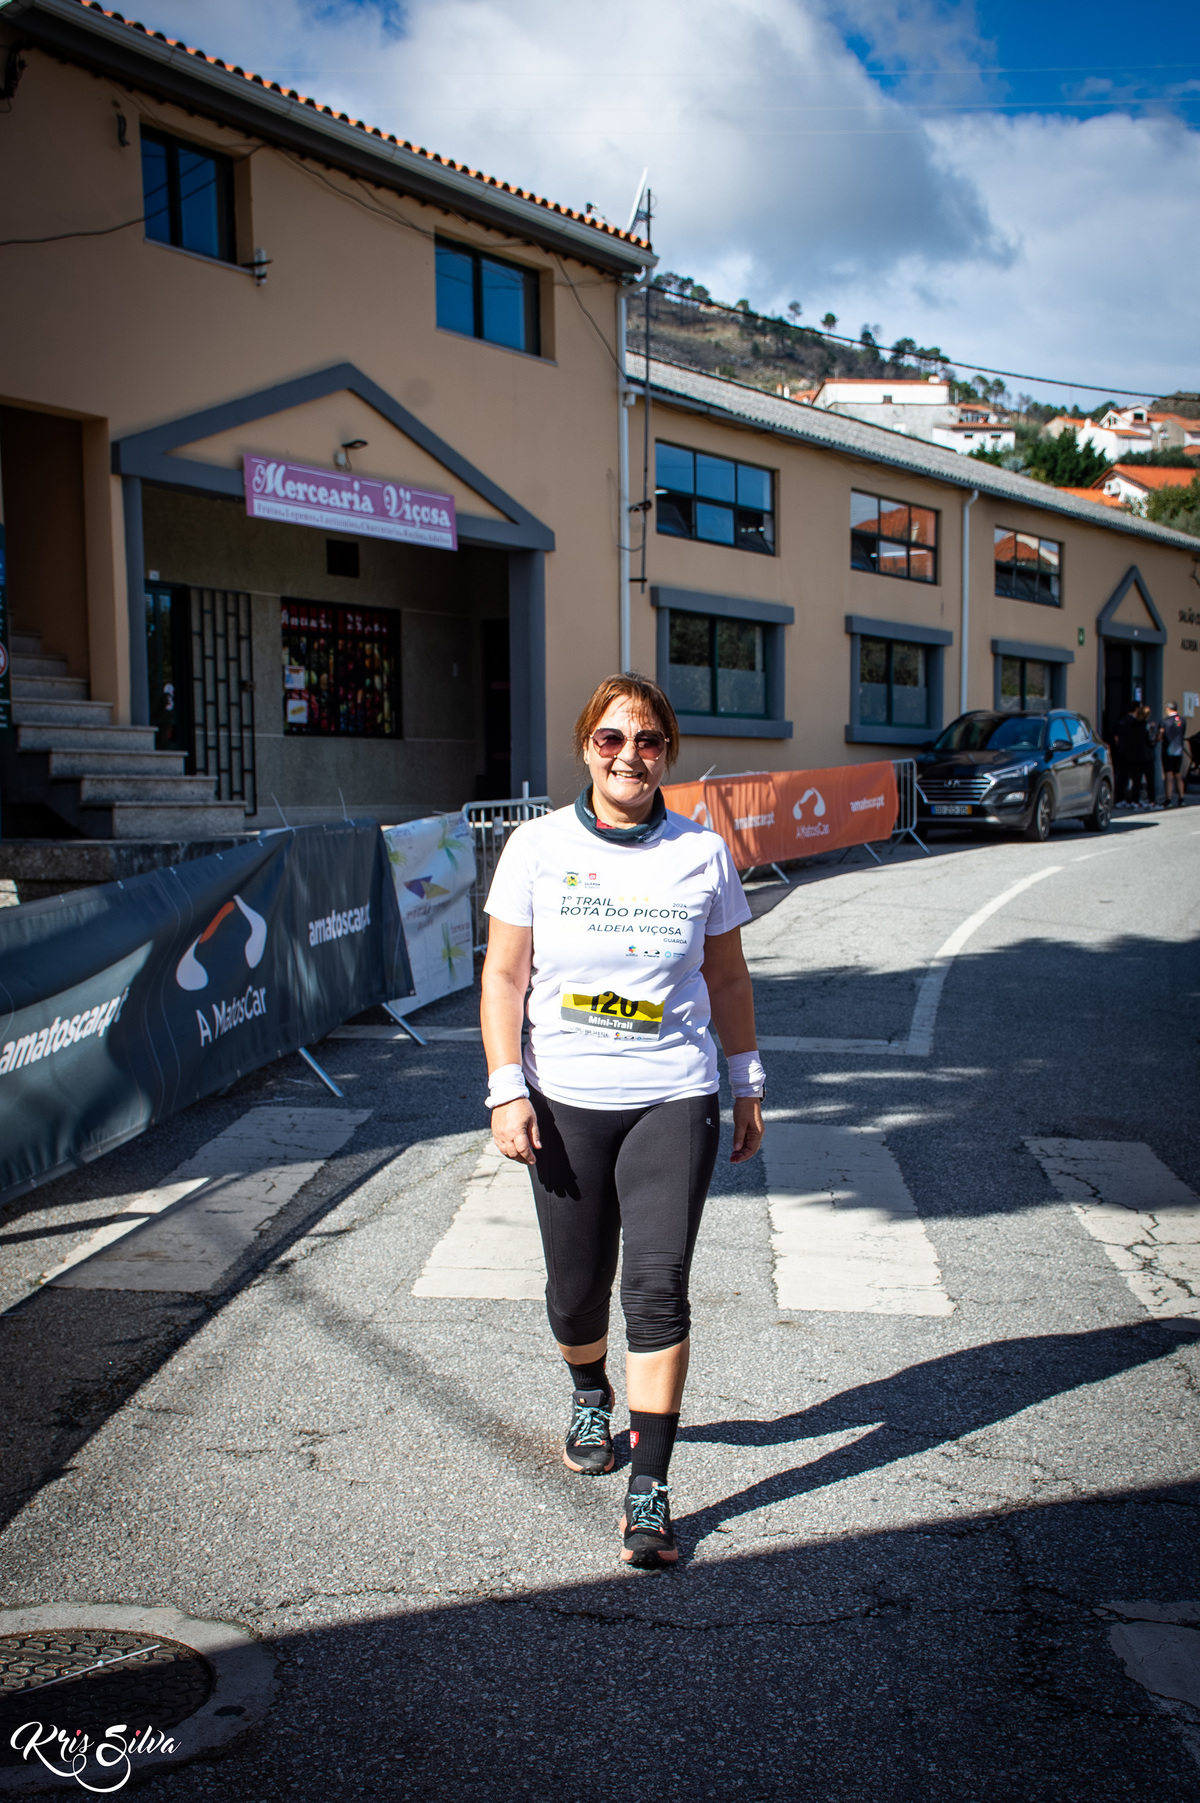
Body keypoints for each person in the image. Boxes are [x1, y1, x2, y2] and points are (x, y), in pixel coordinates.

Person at [480, 673, 765, 1570]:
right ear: (586, 747)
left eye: (646, 740)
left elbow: (727, 977)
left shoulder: (701, 852)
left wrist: (747, 1082)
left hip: (672, 1094)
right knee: (576, 1291)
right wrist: (505, 1086)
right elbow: (503, 976)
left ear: (666, 752)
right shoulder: (535, 846)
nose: (628, 756)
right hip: (563, 1097)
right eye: (611, 738)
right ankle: (587, 1387)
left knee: (656, 1286)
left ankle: (651, 1482)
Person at [1160, 702, 1187, 808]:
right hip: (1178, 750)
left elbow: (1160, 735)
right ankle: (1181, 798)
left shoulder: (1165, 721)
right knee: (1178, 774)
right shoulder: (1182, 720)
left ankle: (1169, 799)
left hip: (1168, 750)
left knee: (1168, 775)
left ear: (1168, 709)